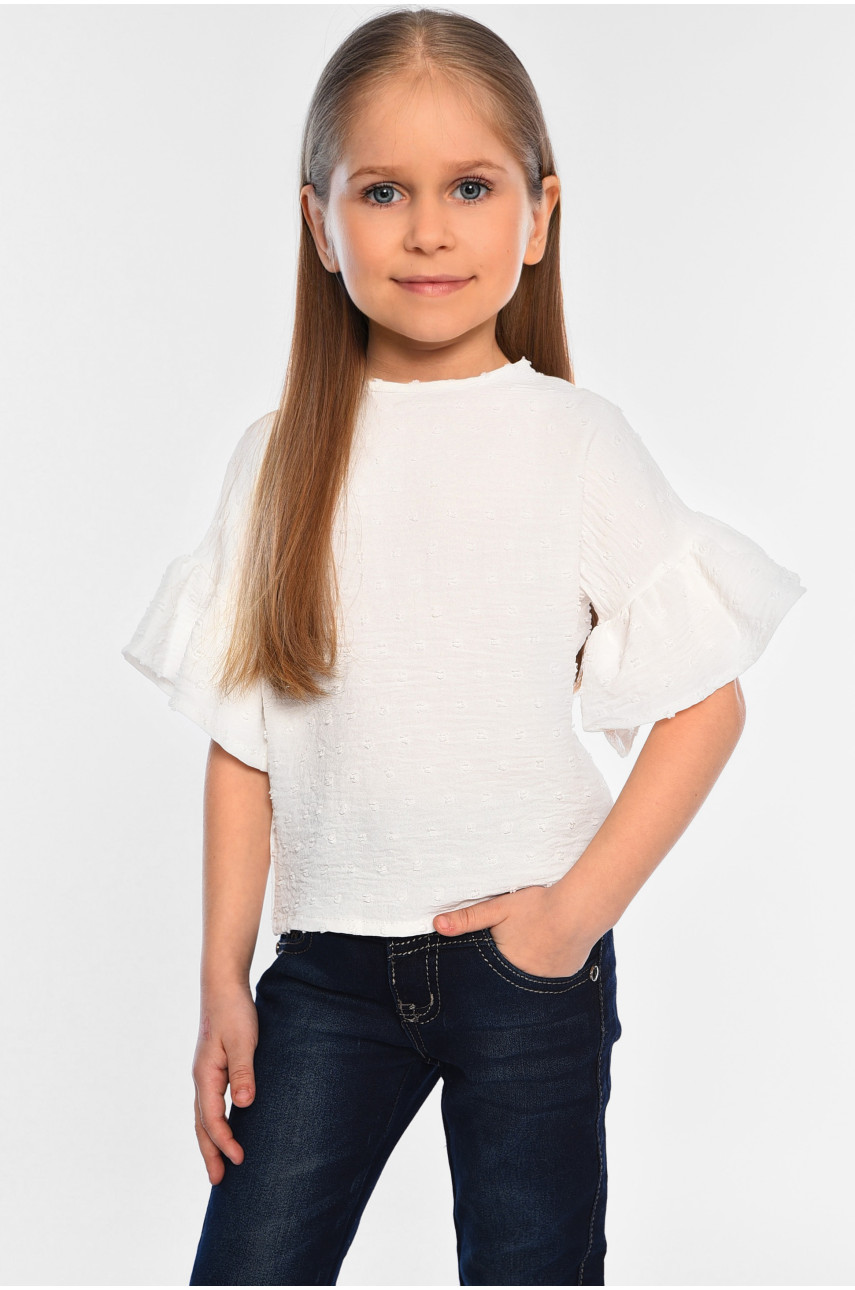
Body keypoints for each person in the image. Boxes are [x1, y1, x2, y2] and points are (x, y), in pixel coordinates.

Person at [121, 8, 806, 1286]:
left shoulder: (576, 442)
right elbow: (245, 745)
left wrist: (564, 926)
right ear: (319, 222)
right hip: (326, 978)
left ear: (539, 215)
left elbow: (706, 708)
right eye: (383, 191)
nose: (428, 229)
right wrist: (223, 981)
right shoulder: (277, 461)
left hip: (525, 973)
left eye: (472, 188)